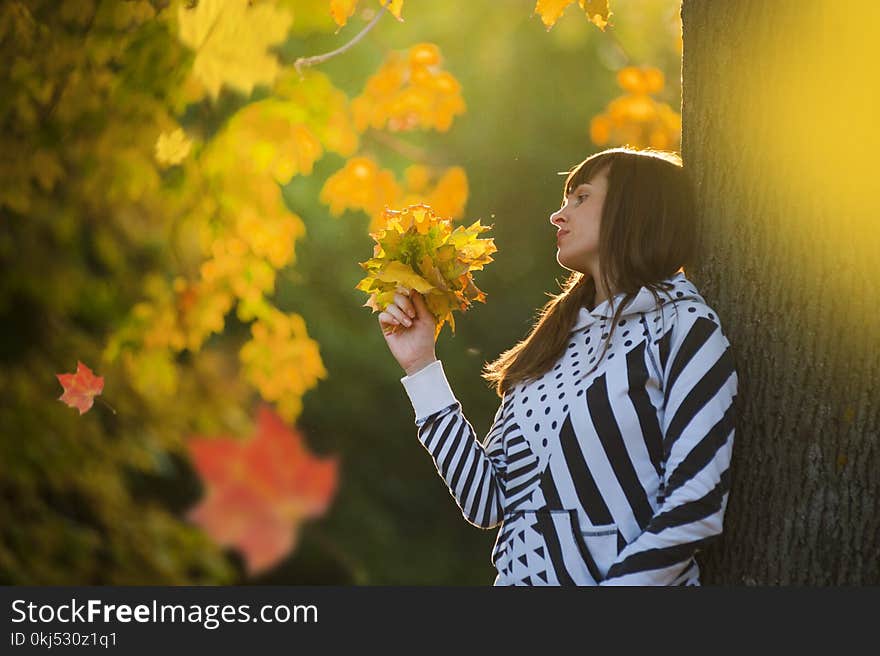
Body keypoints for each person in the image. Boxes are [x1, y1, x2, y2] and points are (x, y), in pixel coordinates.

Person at [378, 146, 738, 586]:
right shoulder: (554, 345)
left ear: (635, 209)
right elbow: (486, 500)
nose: (558, 215)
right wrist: (421, 366)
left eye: (581, 198)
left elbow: (695, 503)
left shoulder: (684, 328)